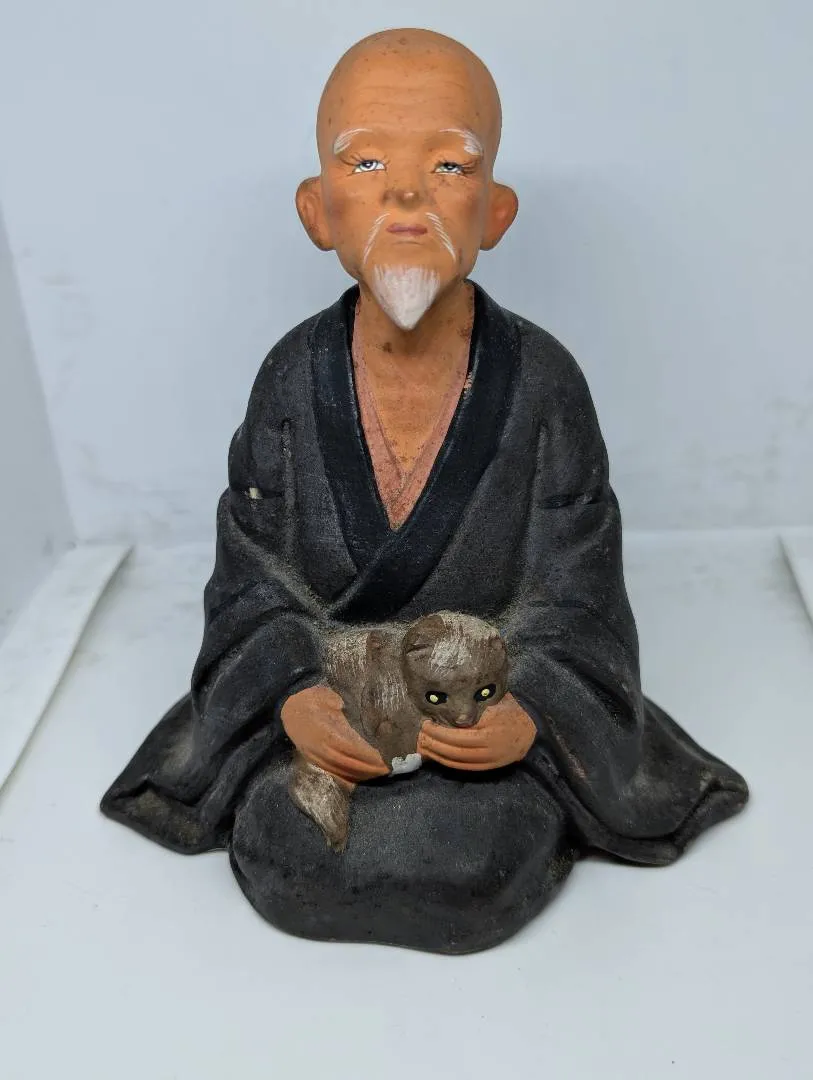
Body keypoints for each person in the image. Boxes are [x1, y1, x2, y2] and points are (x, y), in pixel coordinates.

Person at [101, 28, 748, 954]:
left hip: (476, 720)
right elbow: (250, 583)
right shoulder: (290, 380)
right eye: (365, 162)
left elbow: (577, 597)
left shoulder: (542, 383)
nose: (405, 195)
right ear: (317, 209)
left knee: (469, 858)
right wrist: (293, 699)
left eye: (449, 166)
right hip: (334, 719)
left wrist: (529, 714)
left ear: (495, 211)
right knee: (292, 840)